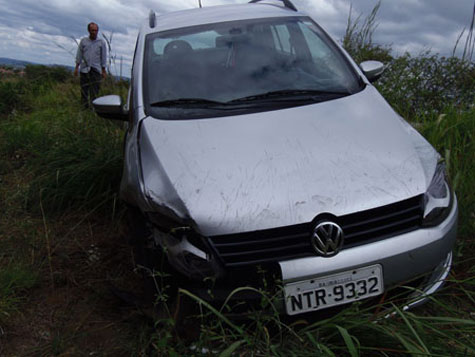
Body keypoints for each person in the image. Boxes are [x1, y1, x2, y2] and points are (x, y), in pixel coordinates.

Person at [74, 22, 107, 108]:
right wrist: (76, 67)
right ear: (89, 30)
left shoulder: (101, 42)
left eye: (96, 30)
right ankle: (84, 108)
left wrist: (103, 70)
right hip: (84, 70)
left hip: (96, 70)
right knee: (84, 91)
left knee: (94, 92)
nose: (94, 32)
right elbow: (79, 55)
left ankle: (93, 109)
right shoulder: (84, 41)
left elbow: (103, 57)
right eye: (92, 30)